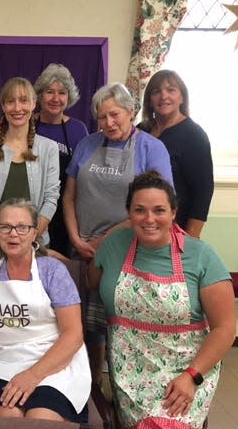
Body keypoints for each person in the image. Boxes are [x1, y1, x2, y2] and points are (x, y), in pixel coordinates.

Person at [88, 171, 235, 428]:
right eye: (139, 210)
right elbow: (92, 280)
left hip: (187, 369)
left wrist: (191, 377)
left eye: (159, 210)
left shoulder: (201, 256)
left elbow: (225, 329)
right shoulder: (114, 245)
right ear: (129, 213)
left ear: (173, 212)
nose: (149, 219)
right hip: (130, 370)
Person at [63, 82, 173, 385]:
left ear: (131, 111)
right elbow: (68, 196)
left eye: (114, 115)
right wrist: (76, 238)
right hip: (82, 248)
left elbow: (155, 206)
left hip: (127, 252)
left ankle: (125, 388)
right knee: (87, 325)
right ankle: (91, 386)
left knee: (120, 324)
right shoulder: (87, 144)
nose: (108, 123)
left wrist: (102, 243)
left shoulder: (152, 148)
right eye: (101, 117)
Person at [0, 198, 90, 423]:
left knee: (40, 418)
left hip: (54, 363)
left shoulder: (52, 270)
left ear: (35, 233)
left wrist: (32, 376)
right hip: (6, 363)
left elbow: (73, 336)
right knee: (9, 416)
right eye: (5, 227)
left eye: (22, 227)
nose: (13, 234)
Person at [0, 77, 60, 252]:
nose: (17, 108)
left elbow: (51, 198)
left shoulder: (49, 148)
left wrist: (29, 240)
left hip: (35, 245)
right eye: (10, 102)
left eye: (23, 100)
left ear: (34, 103)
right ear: (3, 106)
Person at [139, 69, 213, 238]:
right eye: (156, 91)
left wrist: (191, 237)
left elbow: (203, 191)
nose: (163, 96)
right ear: (149, 100)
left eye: (171, 90)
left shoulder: (194, 136)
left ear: (182, 98)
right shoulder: (141, 130)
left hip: (176, 228)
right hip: (141, 223)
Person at [33, 63, 88, 256]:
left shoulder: (78, 129)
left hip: (66, 210)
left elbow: (83, 174)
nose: (56, 98)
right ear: (39, 95)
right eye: (50, 92)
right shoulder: (27, 124)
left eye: (62, 93)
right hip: (33, 208)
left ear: (69, 97)